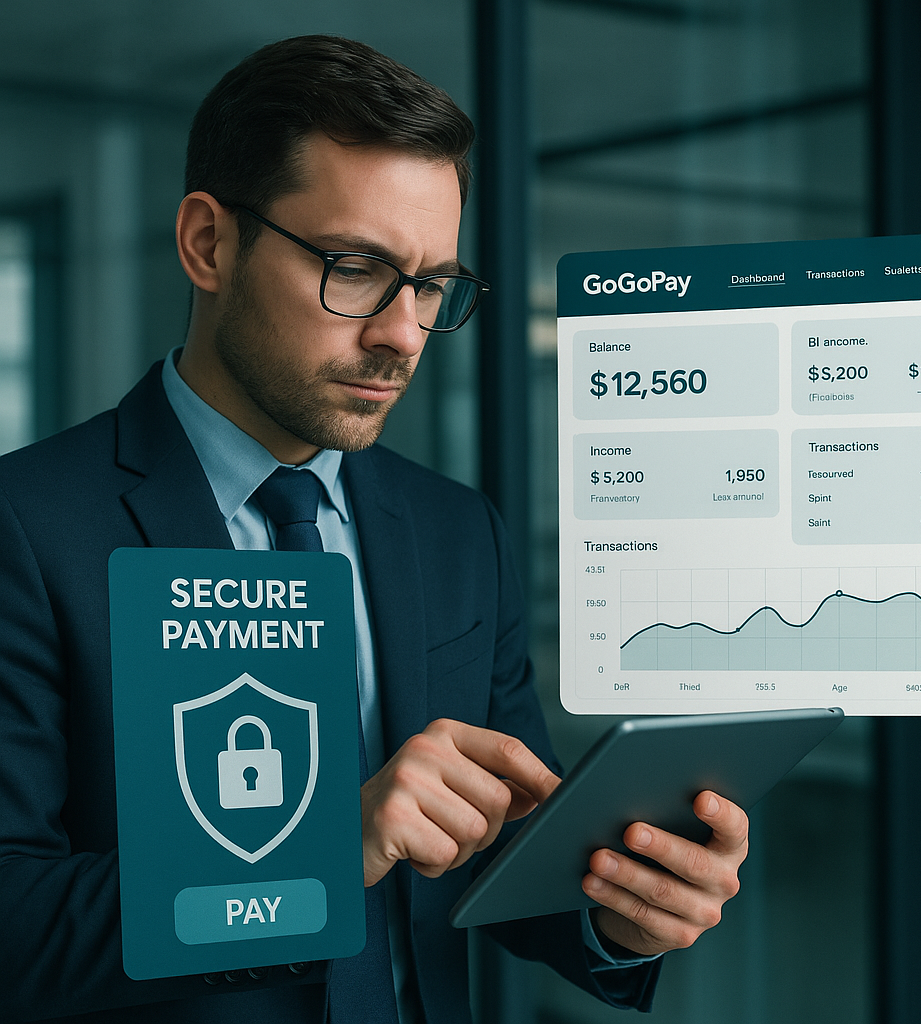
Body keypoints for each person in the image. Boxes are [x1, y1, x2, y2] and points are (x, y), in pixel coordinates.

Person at [0, 35, 748, 1024]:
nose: (402, 332)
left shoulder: (454, 532)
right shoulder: (27, 526)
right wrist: (326, 847)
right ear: (208, 244)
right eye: (355, 268)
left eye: (431, 283)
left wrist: (624, 906)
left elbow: (500, 857)